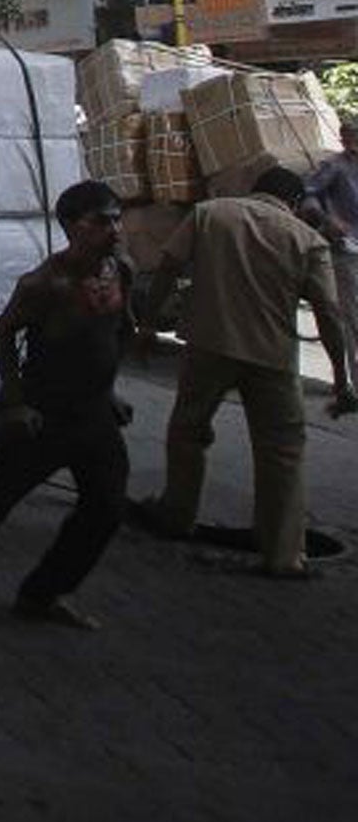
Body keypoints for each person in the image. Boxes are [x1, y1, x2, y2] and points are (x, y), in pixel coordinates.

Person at [0, 181, 135, 629]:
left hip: (93, 413)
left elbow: (115, 332)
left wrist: (110, 390)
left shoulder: (120, 272)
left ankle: (46, 591)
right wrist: (15, 402)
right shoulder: (45, 283)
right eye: (102, 221)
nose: (114, 229)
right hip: (45, 411)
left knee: (107, 506)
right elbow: (4, 331)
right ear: (73, 227)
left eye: (117, 219)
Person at [135, 166, 357, 576]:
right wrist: (341, 381)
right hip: (272, 358)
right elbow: (329, 314)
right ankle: (285, 554)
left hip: (208, 345)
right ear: (291, 204)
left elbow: (167, 266)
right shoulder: (307, 240)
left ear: (254, 191)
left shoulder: (209, 214)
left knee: (187, 432)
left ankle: (177, 514)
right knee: (282, 452)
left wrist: (147, 325)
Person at [305, 119, 358, 379]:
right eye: (349, 140)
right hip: (347, 250)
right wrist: (328, 220)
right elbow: (308, 196)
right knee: (352, 317)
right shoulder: (334, 166)